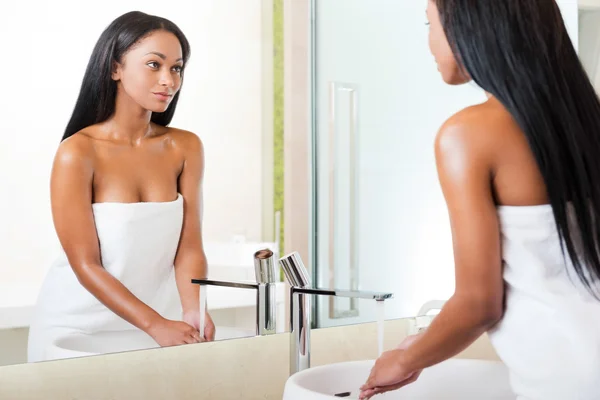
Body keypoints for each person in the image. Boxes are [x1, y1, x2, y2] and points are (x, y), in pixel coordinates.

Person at [360, 0, 600, 399]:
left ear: (469, 29)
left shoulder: (468, 134)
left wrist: (405, 360)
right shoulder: (586, 124)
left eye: (429, 25)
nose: (429, 42)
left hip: (568, 376)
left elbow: (479, 304)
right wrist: (423, 341)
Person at [27, 11, 215, 363]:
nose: (168, 81)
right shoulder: (77, 152)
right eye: (154, 65)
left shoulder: (185, 147)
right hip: (76, 330)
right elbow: (86, 264)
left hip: (159, 328)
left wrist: (194, 309)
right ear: (115, 68)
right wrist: (155, 324)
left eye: (176, 68)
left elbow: (189, 249)